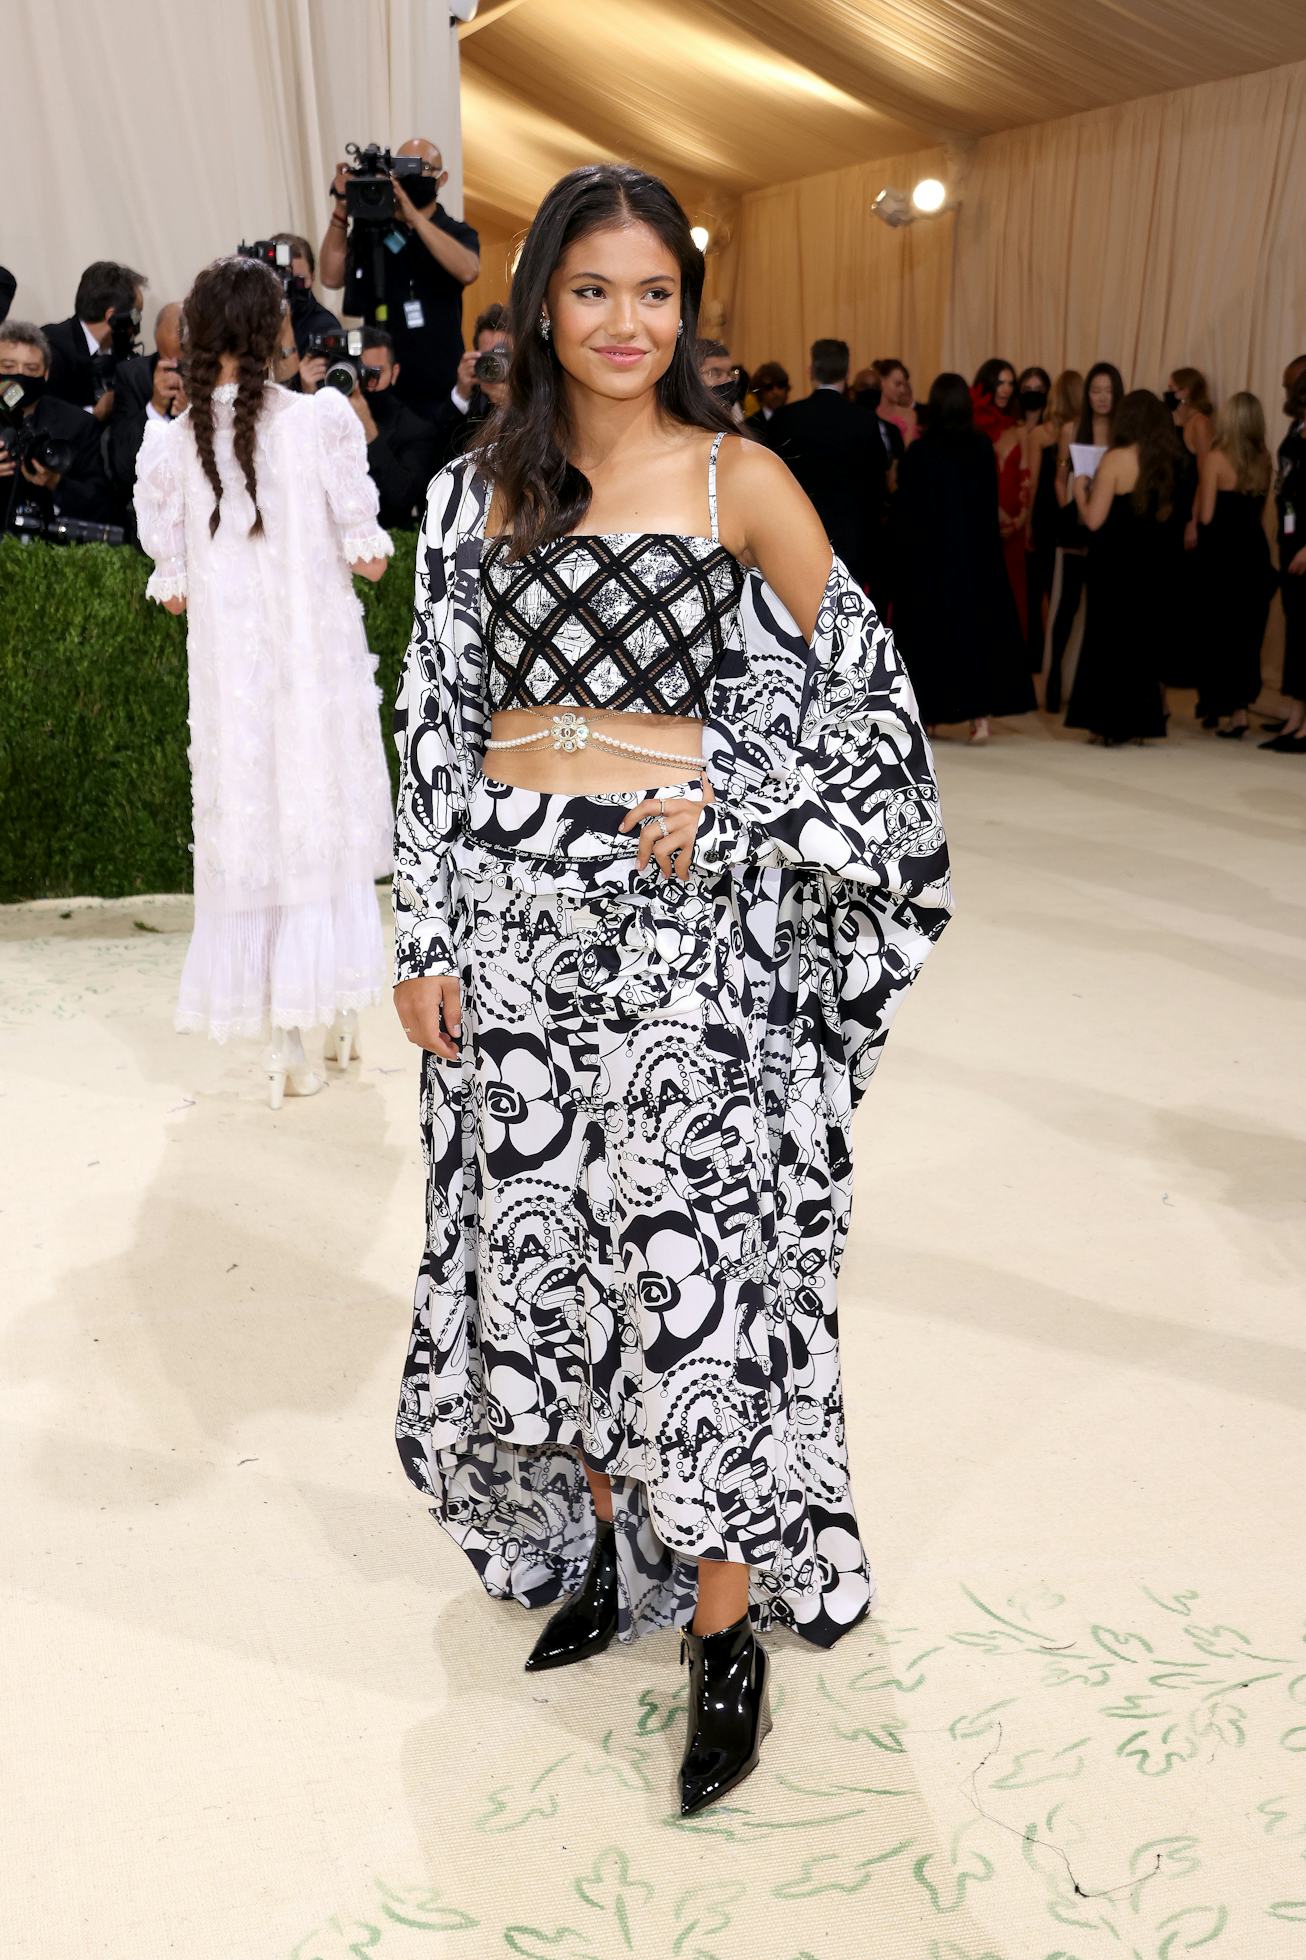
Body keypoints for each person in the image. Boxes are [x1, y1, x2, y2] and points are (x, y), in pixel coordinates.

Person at [390, 162, 951, 1818]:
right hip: (507, 914)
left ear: (683, 311)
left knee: (686, 1264)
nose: (625, 324)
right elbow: (431, 724)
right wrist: (424, 928)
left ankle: (723, 1634)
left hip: (676, 927)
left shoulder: (741, 480)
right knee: (544, 1241)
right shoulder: (468, 492)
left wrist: (757, 800)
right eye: (592, 291)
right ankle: (608, 1553)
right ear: (539, 306)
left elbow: (877, 718)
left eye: (654, 293)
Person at [133, 256, 395, 1105]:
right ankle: (334, 1015)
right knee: (320, 834)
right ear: (276, 330)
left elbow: (171, 593)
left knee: (257, 839)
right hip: (311, 680)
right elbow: (369, 560)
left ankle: (289, 1043)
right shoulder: (321, 422)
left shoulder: (171, 447)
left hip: (233, 697)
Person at [893, 372, 1035, 741]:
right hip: (975, 556)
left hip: (930, 559)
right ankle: (980, 719)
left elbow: (907, 511)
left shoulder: (921, 452)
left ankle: (931, 718)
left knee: (931, 638)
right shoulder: (981, 447)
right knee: (976, 635)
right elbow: (987, 504)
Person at [319, 137, 480, 415]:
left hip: (439, 386)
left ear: (441, 179)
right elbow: (331, 278)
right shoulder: (374, 229)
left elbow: (469, 270)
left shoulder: (456, 232)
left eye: (421, 167)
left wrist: (413, 216)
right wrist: (342, 208)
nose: (411, 175)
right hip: (381, 385)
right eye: (403, 167)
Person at [1065, 389, 1186, 745]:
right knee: (1140, 645)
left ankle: (1106, 723)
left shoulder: (1116, 459)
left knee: (1106, 642)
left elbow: (1094, 520)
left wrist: (1080, 490)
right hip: (1151, 567)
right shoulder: (1165, 462)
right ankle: (1140, 722)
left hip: (1112, 568)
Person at [766, 337, 889, 594]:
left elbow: (771, 481)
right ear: (848, 372)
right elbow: (877, 483)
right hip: (853, 540)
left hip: (798, 536)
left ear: (811, 371)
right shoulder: (863, 420)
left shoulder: (786, 418)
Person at [1192, 392, 1276, 739]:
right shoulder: (1265, 458)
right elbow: (1259, 511)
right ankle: (1239, 708)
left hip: (1221, 558)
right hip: (1254, 555)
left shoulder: (1215, 458)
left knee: (1218, 635)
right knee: (1247, 637)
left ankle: (1224, 709)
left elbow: (1207, 516)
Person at [1048, 362, 1124, 712]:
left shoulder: (1124, 430)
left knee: (1102, 606)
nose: (1102, 397)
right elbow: (1061, 475)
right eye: (1096, 391)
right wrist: (1070, 505)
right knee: (1066, 606)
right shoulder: (1073, 428)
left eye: (1108, 391)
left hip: (1111, 527)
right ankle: (1053, 682)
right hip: (1076, 522)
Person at [0, 320, 119, 533]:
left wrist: (55, 482)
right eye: (8, 367)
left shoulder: (79, 425)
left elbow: (102, 505)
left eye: (31, 368)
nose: (19, 375)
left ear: (45, 373)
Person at [1261, 356, 1306, 752]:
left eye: (1289, 383)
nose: (1285, 391)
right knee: (1296, 629)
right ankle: (1296, 714)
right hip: (1291, 535)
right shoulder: (1297, 427)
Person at [42, 260, 147, 422]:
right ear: (112, 316)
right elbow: (46, 418)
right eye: (136, 314)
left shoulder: (123, 352)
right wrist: (95, 413)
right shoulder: (50, 348)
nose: (138, 321)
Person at [972, 358, 1029, 636]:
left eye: (1010, 383)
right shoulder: (973, 429)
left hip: (1014, 528)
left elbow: (1026, 477)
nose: (1005, 389)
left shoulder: (1018, 429)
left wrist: (1020, 519)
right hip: (983, 523)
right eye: (1000, 382)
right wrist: (996, 513)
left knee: (1015, 589)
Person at [1027, 370, 1080, 673]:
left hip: (1046, 513)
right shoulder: (1083, 431)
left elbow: (1034, 483)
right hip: (1071, 510)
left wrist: (1030, 524)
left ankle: (1042, 656)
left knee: (1045, 587)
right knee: (1066, 590)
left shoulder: (1041, 435)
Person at [108, 302, 186, 494]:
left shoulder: (219, 377)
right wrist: (155, 408)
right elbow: (122, 467)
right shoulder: (134, 376)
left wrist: (190, 416)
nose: (175, 370)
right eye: (167, 362)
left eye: (182, 364)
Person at [430, 302, 513, 466]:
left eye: (503, 354)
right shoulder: (474, 397)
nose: (495, 363)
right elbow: (438, 455)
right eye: (488, 356)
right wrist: (461, 394)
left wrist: (514, 406)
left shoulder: (539, 395)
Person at [875, 357, 919, 446]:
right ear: (882, 381)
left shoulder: (909, 415)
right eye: (897, 384)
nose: (902, 390)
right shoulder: (870, 412)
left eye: (903, 385)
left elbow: (907, 453)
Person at [744, 360, 788, 438]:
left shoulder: (796, 419)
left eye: (780, 385)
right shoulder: (749, 426)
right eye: (769, 387)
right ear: (760, 392)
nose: (776, 391)